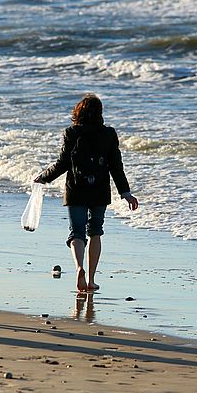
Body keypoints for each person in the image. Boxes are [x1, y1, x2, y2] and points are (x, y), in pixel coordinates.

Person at [34, 94, 138, 292]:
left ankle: (79, 268)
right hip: (99, 190)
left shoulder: (71, 132)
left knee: (77, 233)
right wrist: (125, 193)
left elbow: (63, 163)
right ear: (100, 113)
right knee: (96, 232)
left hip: (76, 189)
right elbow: (116, 166)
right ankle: (90, 280)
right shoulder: (109, 134)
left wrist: (44, 177)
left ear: (78, 112)